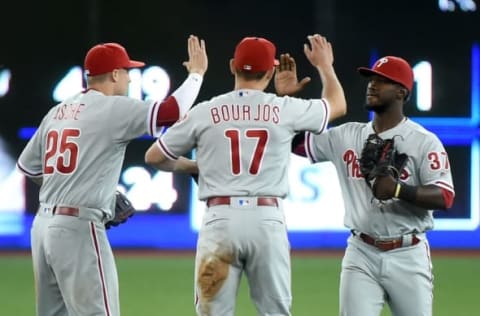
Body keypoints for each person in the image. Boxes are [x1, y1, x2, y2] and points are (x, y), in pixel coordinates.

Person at [144, 34, 347, 316]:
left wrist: (191, 167)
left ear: (231, 66)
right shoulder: (283, 108)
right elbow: (337, 105)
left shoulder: (206, 111)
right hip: (267, 220)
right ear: (272, 70)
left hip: (220, 220)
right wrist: (325, 66)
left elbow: (155, 156)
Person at [16, 35, 208, 316]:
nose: (130, 80)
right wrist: (196, 74)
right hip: (77, 228)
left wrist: (70, 191)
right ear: (115, 74)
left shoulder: (58, 111)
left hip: (43, 227)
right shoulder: (111, 108)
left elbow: (29, 168)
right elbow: (172, 112)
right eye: (127, 72)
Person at [299, 56, 455, 315]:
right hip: (361, 251)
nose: (372, 85)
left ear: (402, 92)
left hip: (408, 253)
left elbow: (445, 196)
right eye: (371, 80)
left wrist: (397, 190)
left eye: (383, 81)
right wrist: (289, 104)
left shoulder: (423, 141)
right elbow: (296, 144)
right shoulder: (346, 135)